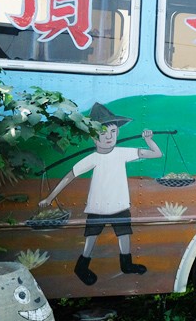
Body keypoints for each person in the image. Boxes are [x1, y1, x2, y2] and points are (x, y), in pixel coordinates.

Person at [39, 103, 161, 285]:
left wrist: (148, 140)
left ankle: (126, 264)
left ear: (118, 133)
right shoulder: (92, 158)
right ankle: (81, 266)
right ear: (93, 138)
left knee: (124, 235)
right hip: (97, 207)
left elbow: (156, 154)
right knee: (91, 238)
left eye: (112, 131)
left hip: (119, 206)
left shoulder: (123, 153)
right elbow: (68, 177)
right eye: (102, 133)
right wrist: (49, 198)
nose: (108, 137)